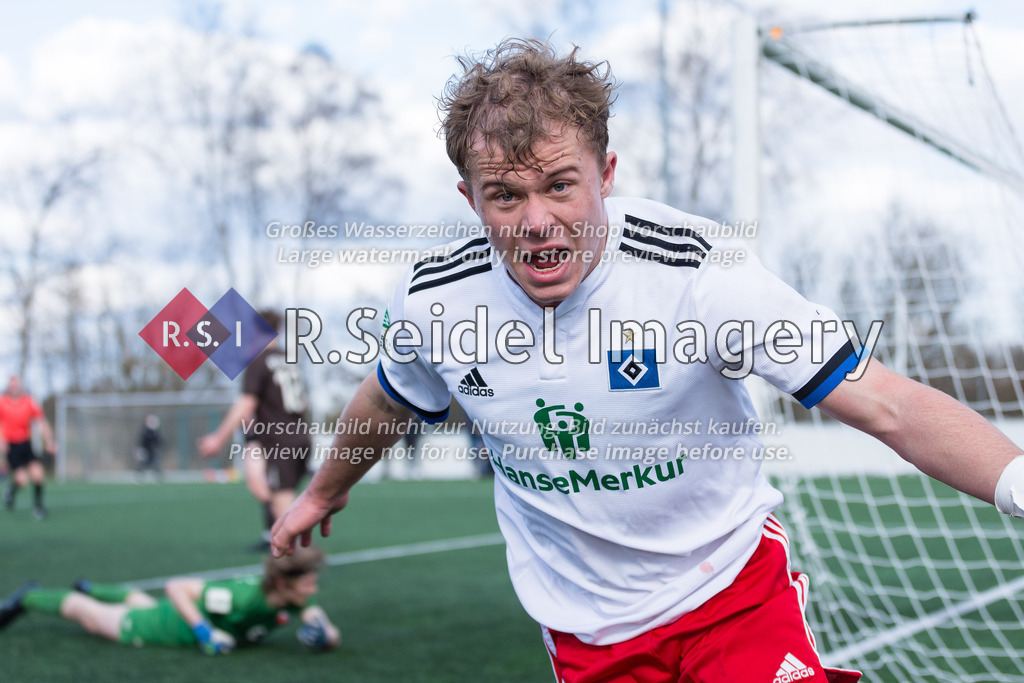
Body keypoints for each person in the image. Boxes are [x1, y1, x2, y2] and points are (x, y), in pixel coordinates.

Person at [269, 39, 1024, 682]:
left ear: (606, 173)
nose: (537, 222)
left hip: (731, 591)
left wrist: (1016, 478)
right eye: (504, 196)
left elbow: (884, 402)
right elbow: (388, 396)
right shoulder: (437, 300)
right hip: (586, 629)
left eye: (560, 185)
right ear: (469, 199)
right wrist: (322, 492)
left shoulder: (701, 274)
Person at [0, 544, 340, 653]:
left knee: (137, 599)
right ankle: (30, 596)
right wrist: (205, 634)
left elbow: (317, 618)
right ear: (281, 582)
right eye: (307, 584)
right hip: (158, 627)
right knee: (89, 617)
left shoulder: (293, 600)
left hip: (173, 616)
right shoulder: (238, 598)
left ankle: (93, 587)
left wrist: (323, 632)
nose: (312, 591)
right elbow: (177, 588)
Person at [199, 310, 312, 552]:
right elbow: (304, 403)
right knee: (270, 490)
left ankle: (299, 564)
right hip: (299, 435)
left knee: (282, 500)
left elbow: (246, 403)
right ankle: (279, 544)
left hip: (281, 440)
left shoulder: (259, 361)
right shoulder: (290, 360)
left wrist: (218, 438)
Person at [0, 375, 55, 520]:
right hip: (11, 446)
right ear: (8, 386)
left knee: (38, 475)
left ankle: (38, 507)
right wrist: (1, 441)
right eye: (11, 384)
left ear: (20, 386)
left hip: (26, 444)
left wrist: (49, 440)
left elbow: (41, 421)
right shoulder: (2, 402)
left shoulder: (28, 401)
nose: (14, 387)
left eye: (16, 384)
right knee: (22, 480)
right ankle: (11, 491)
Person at [135, 413, 162, 480]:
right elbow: (141, 441)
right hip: (144, 450)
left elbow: (157, 441)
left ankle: (158, 476)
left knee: (154, 463)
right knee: (142, 464)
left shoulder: (154, 431)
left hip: (151, 450)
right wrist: (139, 449)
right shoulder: (144, 430)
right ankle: (140, 475)